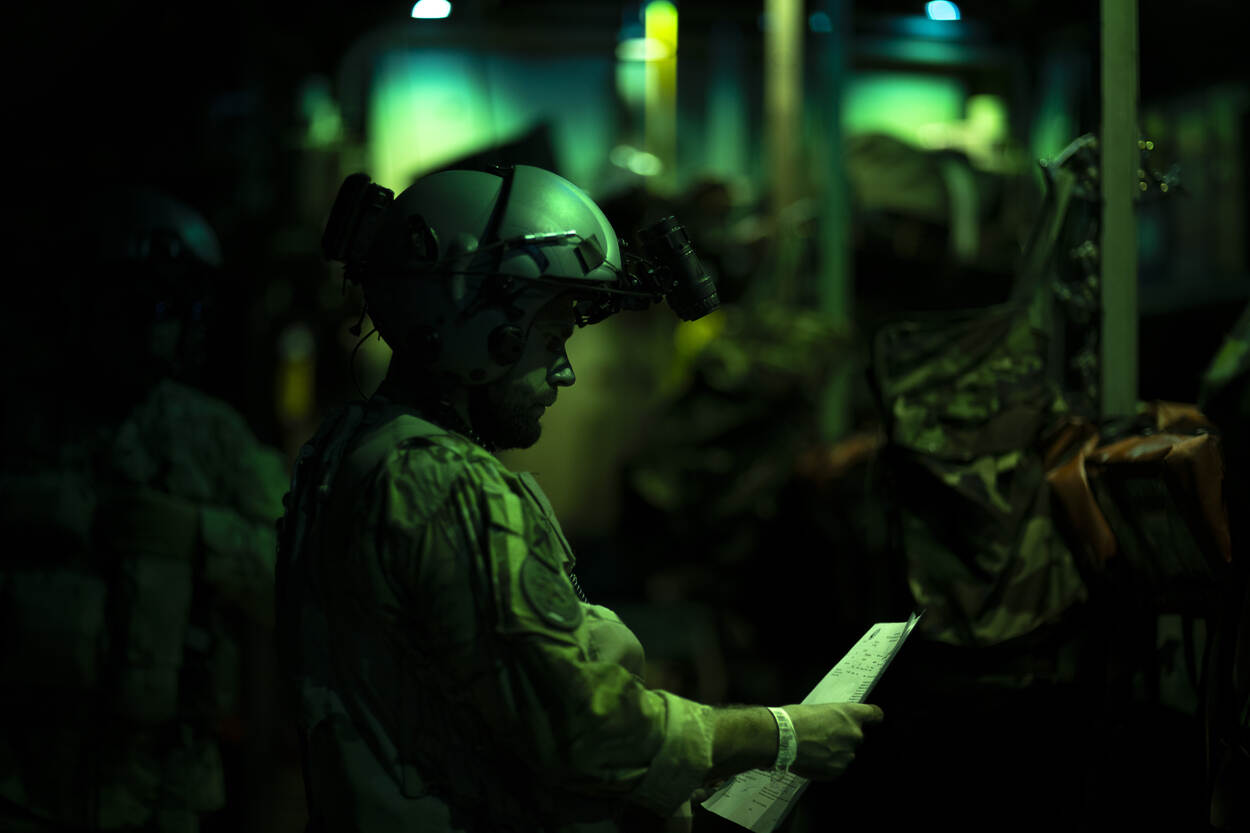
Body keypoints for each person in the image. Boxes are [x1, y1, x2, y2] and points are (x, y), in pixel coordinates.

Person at [276, 164, 884, 832]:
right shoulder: (444, 482)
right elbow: (582, 730)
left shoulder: (351, 445)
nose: (564, 371)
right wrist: (780, 734)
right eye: (551, 337)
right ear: (481, 326)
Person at [0, 186, 288, 832]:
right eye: (140, 300)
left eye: (178, 304)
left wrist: (200, 537)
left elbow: (299, 578)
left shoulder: (211, 437)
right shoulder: (23, 423)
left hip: (159, 787)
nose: (158, 325)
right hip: (22, 779)